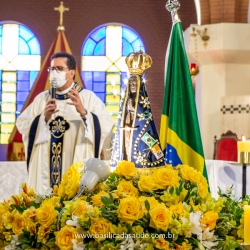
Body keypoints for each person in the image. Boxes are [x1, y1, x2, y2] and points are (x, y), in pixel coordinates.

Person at [16, 52, 114, 191]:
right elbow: (22, 123)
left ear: (71, 73)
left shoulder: (88, 98)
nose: (54, 73)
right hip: (46, 170)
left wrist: (85, 114)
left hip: (76, 165)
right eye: (52, 69)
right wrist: (42, 118)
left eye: (59, 69)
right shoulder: (41, 99)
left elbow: (106, 123)